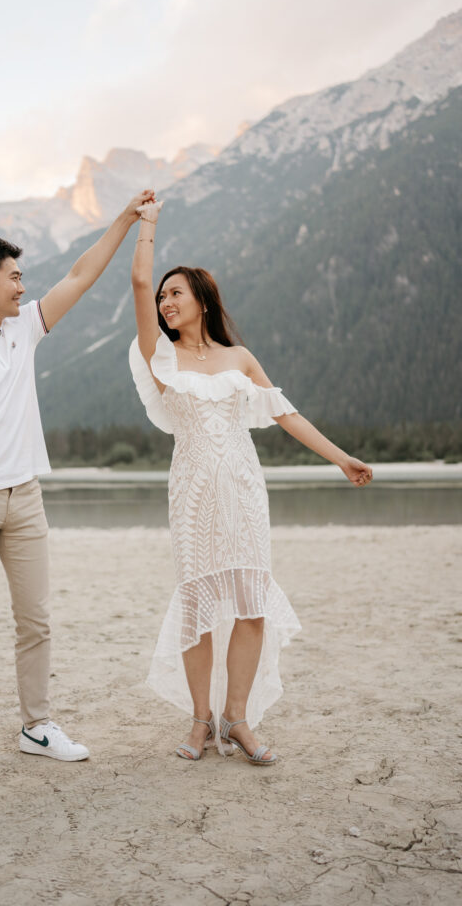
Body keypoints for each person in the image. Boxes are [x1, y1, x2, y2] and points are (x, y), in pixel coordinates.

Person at [0, 188, 155, 779]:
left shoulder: (25, 331)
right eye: (14, 277)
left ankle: (37, 727)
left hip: (26, 495)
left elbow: (81, 275)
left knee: (35, 619)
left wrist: (124, 216)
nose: (24, 286)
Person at [129, 200, 373, 763]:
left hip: (243, 490)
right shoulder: (159, 357)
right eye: (164, 297)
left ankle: (237, 719)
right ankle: (200, 723)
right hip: (191, 493)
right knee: (197, 603)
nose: (166, 303)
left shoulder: (240, 358)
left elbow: (288, 415)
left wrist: (341, 458)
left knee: (250, 603)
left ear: (202, 301)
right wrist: (149, 223)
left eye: (176, 295)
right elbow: (140, 279)